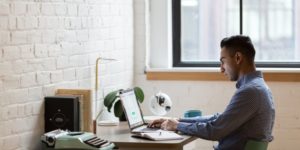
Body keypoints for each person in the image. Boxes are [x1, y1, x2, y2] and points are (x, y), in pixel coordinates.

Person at [149, 35, 275, 150]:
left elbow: (215, 130)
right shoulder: (258, 88)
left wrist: (178, 126)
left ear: (238, 58)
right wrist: (178, 121)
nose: (221, 69)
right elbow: (219, 119)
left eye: (223, 61)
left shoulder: (251, 91)